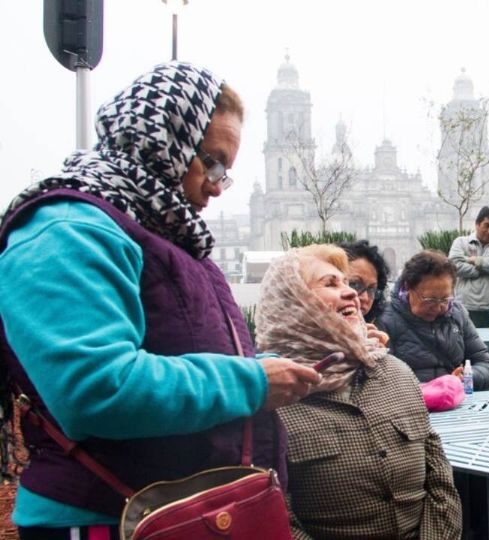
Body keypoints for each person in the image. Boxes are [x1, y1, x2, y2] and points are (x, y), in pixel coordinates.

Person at [0, 62, 320, 537]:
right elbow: (96, 389)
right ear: (160, 139)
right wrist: (253, 381)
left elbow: (187, 352)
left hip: (189, 512)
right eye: (211, 162)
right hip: (108, 520)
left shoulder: (169, 234)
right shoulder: (68, 230)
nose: (216, 184)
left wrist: (280, 370)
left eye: (226, 172)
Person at [255, 245, 462, 540]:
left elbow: (439, 475)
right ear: (293, 302)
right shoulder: (273, 397)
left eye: (347, 282)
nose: (353, 294)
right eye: (331, 283)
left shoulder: (396, 372)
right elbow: (275, 517)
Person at [378, 250, 489, 540]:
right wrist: (430, 390)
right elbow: (381, 383)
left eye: (445, 298)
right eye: (430, 299)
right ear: (407, 288)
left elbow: (487, 364)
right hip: (413, 425)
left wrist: (464, 382)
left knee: (483, 478)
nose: (440, 307)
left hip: (463, 418)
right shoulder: (385, 320)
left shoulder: (457, 313)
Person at [448, 206, 489, 329]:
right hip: (465, 309)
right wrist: (484, 268)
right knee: (466, 347)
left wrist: (475, 260)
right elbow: (454, 266)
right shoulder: (461, 242)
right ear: (477, 224)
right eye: (487, 225)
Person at [340, 239, 391, 324]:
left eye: (372, 289)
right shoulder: (312, 332)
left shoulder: (372, 331)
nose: (365, 298)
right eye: (355, 284)